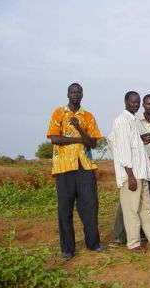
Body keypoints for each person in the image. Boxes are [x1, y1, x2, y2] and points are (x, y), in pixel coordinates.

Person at [46, 83, 103, 260]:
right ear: (68, 94)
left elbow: (93, 143)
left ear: (82, 94)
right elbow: (54, 138)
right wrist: (80, 139)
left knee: (90, 206)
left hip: (84, 166)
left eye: (79, 92)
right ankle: (67, 249)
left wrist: (79, 128)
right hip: (63, 167)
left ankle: (93, 244)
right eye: (73, 92)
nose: (76, 94)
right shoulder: (58, 113)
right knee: (65, 208)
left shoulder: (88, 116)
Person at [110, 91, 150, 253]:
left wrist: (144, 139)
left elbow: (135, 144)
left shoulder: (135, 120)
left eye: (137, 102)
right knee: (131, 211)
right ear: (126, 102)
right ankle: (133, 243)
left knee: (147, 210)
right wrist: (130, 176)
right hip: (132, 175)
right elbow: (123, 150)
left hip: (143, 173)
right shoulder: (121, 121)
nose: (135, 104)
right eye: (133, 102)